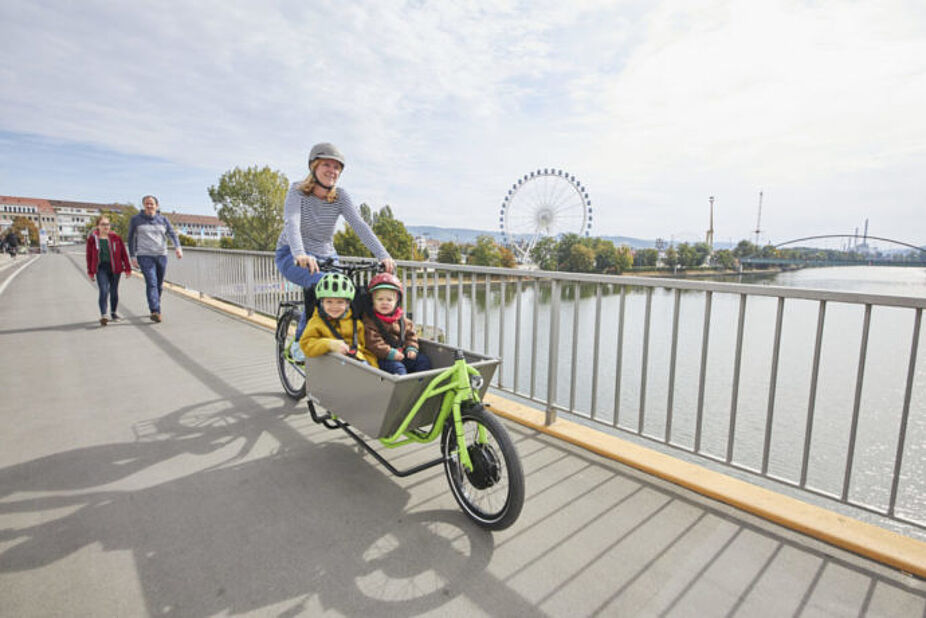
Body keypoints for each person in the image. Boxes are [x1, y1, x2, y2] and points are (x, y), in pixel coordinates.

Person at [275, 142, 396, 356]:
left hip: (327, 255)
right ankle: (300, 343)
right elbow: (292, 222)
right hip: (292, 254)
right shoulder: (297, 192)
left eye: (337, 167)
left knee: (348, 293)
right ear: (314, 166)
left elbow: (360, 225)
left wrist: (383, 255)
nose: (333, 171)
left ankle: (347, 342)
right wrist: (300, 253)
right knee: (322, 285)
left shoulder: (340, 197)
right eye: (327, 165)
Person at [299, 272, 377, 366]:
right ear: (322, 303)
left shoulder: (356, 323)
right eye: (329, 302)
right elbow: (305, 344)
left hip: (353, 362)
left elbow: (363, 348)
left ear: (348, 304)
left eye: (340, 302)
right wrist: (330, 344)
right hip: (330, 366)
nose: (334, 307)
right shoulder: (316, 322)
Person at [361, 273, 431, 375]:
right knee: (398, 369)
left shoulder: (401, 319)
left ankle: (420, 386)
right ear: (373, 301)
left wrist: (411, 347)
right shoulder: (370, 320)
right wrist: (390, 353)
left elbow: (411, 335)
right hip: (383, 358)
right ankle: (403, 390)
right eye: (380, 299)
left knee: (422, 360)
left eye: (389, 300)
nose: (385, 303)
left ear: (397, 302)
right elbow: (373, 343)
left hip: (402, 353)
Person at [127, 195, 183, 323]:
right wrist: (132, 256)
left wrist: (178, 248)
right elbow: (130, 239)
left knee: (158, 285)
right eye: (146, 203)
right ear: (143, 205)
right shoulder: (136, 220)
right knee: (151, 282)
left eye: (151, 204)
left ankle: (155, 303)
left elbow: (172, 234)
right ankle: (155, 311)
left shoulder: (163, 219)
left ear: (156, 206)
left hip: (161, 255)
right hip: (144, 256)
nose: (149, 206)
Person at [85, 215, 132, 326]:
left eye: (107, 224)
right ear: (98, 226)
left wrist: (127, 268)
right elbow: (89, 256)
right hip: (101, 268)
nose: (106, 227)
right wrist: (90, 271)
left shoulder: (116, 238)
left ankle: (113, 313)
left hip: (115, 268)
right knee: (104, 290)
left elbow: (123, 254)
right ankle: (104, 315)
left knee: (114, 291)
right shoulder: (93, 239)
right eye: (103, 224)